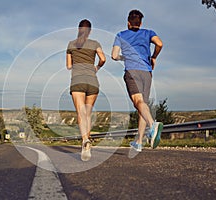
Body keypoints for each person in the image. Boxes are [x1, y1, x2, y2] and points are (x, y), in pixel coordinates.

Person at [111, 10, 163, 152]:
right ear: (140, 23)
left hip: (132, 72)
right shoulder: (148, 32)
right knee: (142, 105)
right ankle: (139, 142)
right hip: (147, 72)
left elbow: (114, 56)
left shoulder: (121, 35)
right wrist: (154, 57)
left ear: (128, 22)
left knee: (138, 102)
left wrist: (124, 57)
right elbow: (160, 43)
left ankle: (152, 125)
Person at [66, 19, 106, 161]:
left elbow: (69, 66)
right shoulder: (95, 44)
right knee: (87, 114)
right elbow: (103, 58)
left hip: (77, 81)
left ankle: (85, 141)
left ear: (78, 29)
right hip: (93, 81)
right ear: (90, 31)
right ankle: (87, 141)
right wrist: (96, 67)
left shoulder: (71, 44)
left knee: (81, 113)